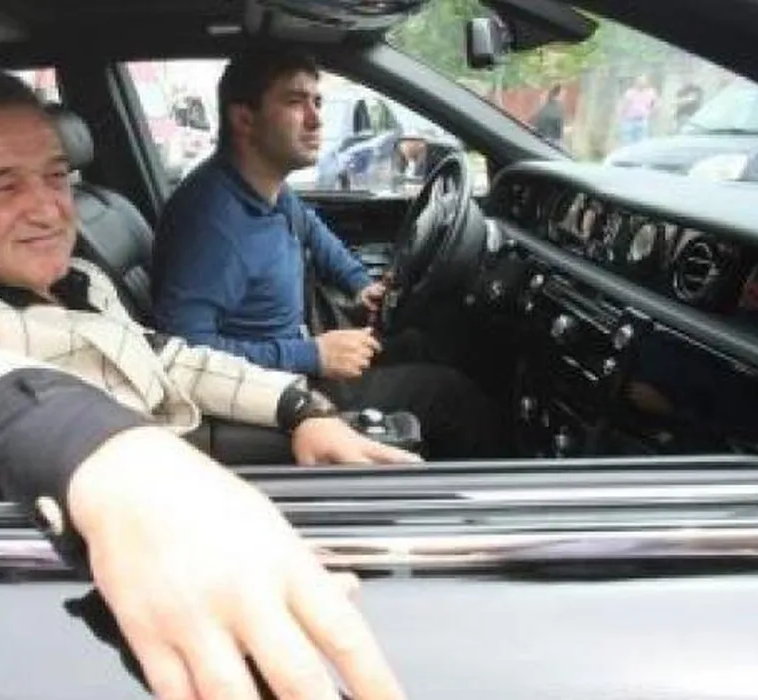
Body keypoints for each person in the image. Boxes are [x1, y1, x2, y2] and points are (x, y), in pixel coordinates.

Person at [0, 62, 409, 700]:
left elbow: (164, 357)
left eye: (56, 176)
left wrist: (298, 407)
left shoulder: (78, 278)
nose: (48, 209)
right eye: (4, 186)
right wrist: (124, 464)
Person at [151, 46, 504, 459]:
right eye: (295, 102)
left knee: (427, 342)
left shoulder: (266, 189)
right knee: (453, 396)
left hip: (297, 361)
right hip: (275, 397)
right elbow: (185, 352)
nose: (317, 119)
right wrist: (313, 355)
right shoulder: (212, 224)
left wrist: (359, 284)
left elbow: (313, 232)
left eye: (317, 102)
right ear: (244, 119)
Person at [617, 74, 658, 145]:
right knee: (628, 142)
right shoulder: (630, 92)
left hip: (642, 120)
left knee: (641, 143)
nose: (641, 83)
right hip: (629, 121)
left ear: (646, 82)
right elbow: (624, 105)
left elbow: (655, 104)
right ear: (636, 82)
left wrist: (652, 113)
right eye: (639, 81)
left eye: (643, 81)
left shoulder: (651, 93)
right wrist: (621, 117)